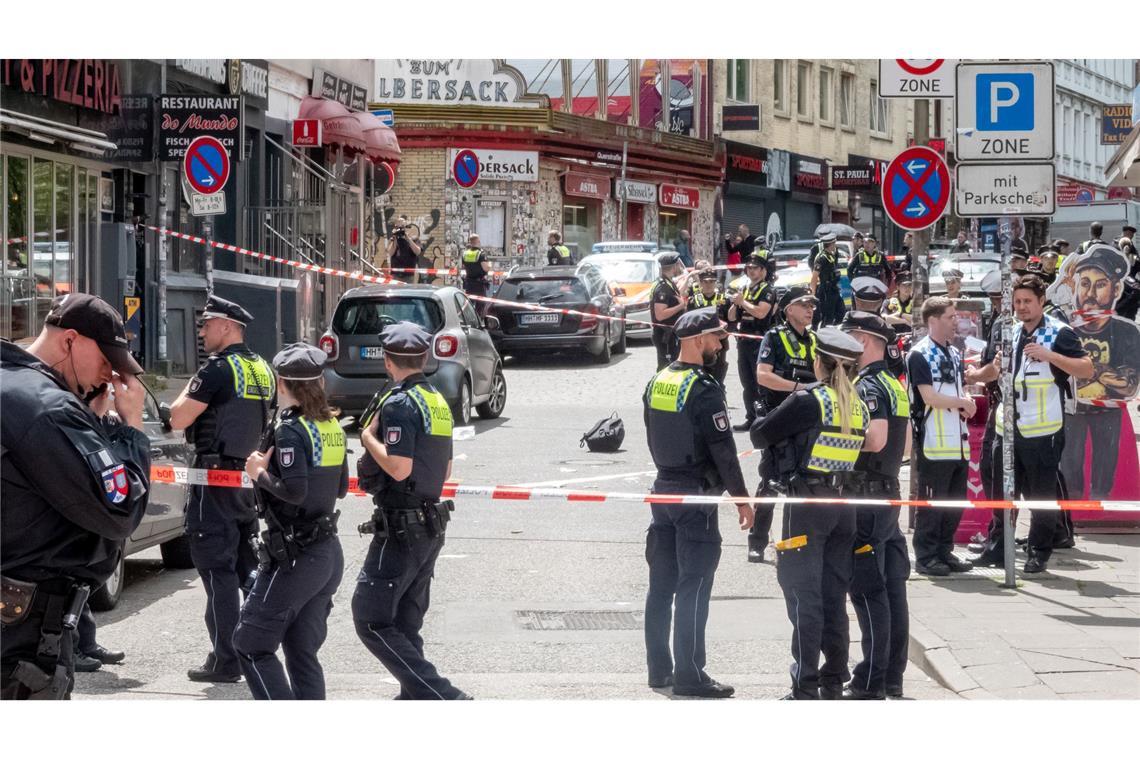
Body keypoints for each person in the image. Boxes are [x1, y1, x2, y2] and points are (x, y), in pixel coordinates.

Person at [1, 293, 151, 700]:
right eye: (107, 360)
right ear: (70, 341)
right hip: (22, 633)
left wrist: (91, 422)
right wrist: (131, 429)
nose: (109, 376)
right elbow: (121, 508)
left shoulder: (13, 386)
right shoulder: (48, 407)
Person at [353, 322, 470, 700]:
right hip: (429, 524)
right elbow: (447, 470)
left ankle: (441, 695)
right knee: (404, 621)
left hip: (401, 525)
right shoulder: (437, 401)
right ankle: (415, 697)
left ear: (388, 361)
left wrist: (368, 437)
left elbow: (399, 467)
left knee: (369, 619)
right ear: (424, 358)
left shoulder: (400, 402)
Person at [752, 327, 871, 700]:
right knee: (833, 595)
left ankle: (804, 683)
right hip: (842, 508)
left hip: (805, 506)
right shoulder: (858, 404)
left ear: (819, 361)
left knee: (802, 595)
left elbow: (760, 435)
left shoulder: (810, 400)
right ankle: (834, 677)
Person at [643, 308, 753, 698]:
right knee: (695, 584)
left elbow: (651, 434)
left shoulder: (658, 380)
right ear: (694, 340)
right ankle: (690, 674)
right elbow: (723, 450)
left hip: (663, 491)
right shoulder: (704, 388)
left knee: (661, 587)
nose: (721, 344)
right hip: (695, 497)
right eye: (715, 338)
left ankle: (660, 671)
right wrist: (742, 499)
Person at [169, 295, 275, 683]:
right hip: (246, 483)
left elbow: (179, 417)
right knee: (247, 568)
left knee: (218, 574)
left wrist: (183, 393)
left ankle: (226, 659)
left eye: (206, 324)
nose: (201, 331)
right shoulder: (262, 367)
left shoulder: (216, 369)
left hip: (213, 484)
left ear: (227, 326)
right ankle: (259, 643)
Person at [233, 344, 347, 699]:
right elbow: (341, 487)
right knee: (301, 650)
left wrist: (259, 473)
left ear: (281, 383)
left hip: (295, 556)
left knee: (250, 645)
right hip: (327, 554)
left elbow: (294, 491)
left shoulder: (290, 431)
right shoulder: (331, 426)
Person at [970, 276, 1093, 573]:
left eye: (1028, 302)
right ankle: (999, 546)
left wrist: (1049, 355)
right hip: (1006, 429)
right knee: (1000, 492)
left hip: (1042, 431)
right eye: (1018, 302)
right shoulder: (1009, 331)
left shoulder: (1059, 332)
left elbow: (1087, 368)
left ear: (1041, 302)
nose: (1022, 307)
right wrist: (977, 374)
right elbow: (995, 373)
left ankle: (1039, 551)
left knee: (1040, 496)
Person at [839, 312, 911, 700]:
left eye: (850, 337)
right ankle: (891, 675)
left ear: (864, 341)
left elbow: (877, 439)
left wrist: (832, 441)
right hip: (887, 490)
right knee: (891, 587)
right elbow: (908, 445)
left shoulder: (867, 384)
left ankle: (871, 678)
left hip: (866, 495)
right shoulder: (894, 382)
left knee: (869, 591)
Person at [1060, 249, 1140, 501]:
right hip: (1070, 410)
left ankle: (1101, 514)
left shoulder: (1127, 331)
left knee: (1104, 480)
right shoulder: (1062, 326)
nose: (1090, 294)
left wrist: (1086, 369)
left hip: (1109, 410)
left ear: (1116, 291)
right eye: (1085, 283)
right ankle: (1070, 521)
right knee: (1069, 473)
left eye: (1100, 284)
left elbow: (1128, 386)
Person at [749, 287, 818, 561]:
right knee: (770, 478)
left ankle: (799, 541)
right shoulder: (774, 337)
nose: (809, 309)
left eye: (811, 304)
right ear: (789, 309)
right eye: (803, 304)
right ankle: (757, 540)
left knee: (803, 479)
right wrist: (799, 387)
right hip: (778, 416)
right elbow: (763, 376)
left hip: (807, 419)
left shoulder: (815, 339)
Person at [907, 297, 974, 576]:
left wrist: (966, 399)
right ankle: (926, 556)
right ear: (933, 320)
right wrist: (961, 402)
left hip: (958, 442)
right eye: (950, 317)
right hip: (934, 442)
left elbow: (960, 388)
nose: (955, 321)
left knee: (953, 503)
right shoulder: (920, 354)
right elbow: (929, 397)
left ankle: (945, 551)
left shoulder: (954, 353)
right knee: (932, 505)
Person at [727, 253, 776, 430]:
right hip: (744, 339)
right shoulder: (745, 289)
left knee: (760, 382)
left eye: (755, 268)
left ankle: (765, 418)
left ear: (763, 271)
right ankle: (751, 417)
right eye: (749, 268)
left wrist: (743, 302)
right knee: (747, 382)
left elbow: (761, 312)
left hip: (759, 339)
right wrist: (735, 304)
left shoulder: (768, 290)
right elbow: (731, 316)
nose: (751, 271)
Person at [687, 266, 730, 385]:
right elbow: (688, 323)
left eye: (712, 281)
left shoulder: (724, 300)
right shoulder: (693, 301)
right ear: (700, 283)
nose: (708, 284)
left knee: (718, 377)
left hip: (719, 344)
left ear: (716, 282)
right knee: (699, 377)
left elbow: (731, 321)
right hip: (699, 345)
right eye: (705, 282)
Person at [650, 252, 690, 370]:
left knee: (670, 365)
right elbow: (660, 314)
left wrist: (688, 278)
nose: (680, 268)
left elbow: (675, 296)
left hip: (669, 333)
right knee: (666, 368)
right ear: (674, 266)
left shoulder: (667, 282)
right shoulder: (663, 287)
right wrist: (681, 306)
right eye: (679, 265)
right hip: (665, 334)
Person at [810, 233, 846, 328]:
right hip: (826, 290)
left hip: (834, 289)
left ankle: (834, 333)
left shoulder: (831, 255)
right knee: (828, 317)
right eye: (834, 243)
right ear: (831, 244)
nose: (835, 245)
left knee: (841, 312)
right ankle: (823, 338)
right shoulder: (821, 258)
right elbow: (814, 277)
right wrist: (812, 295)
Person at [385, 216, 422, 284]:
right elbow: (390, 253)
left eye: (402, 227)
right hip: (395, 275)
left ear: (406, 227)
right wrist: (395, 239)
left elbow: (417, 252)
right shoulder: (393, 240)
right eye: (398, 227)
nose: (400, 229)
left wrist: (407, 238)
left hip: (408, 276)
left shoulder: (414, 239)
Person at [460, 233, 492, 304]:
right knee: (481, 306)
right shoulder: (480, 254)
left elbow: (463, 266)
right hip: (479, 284)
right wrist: (490, 264)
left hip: (469, 283)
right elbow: (486, 268)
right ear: (478, 241)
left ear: (470, 242)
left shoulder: (465, 254)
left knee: (469, 306)